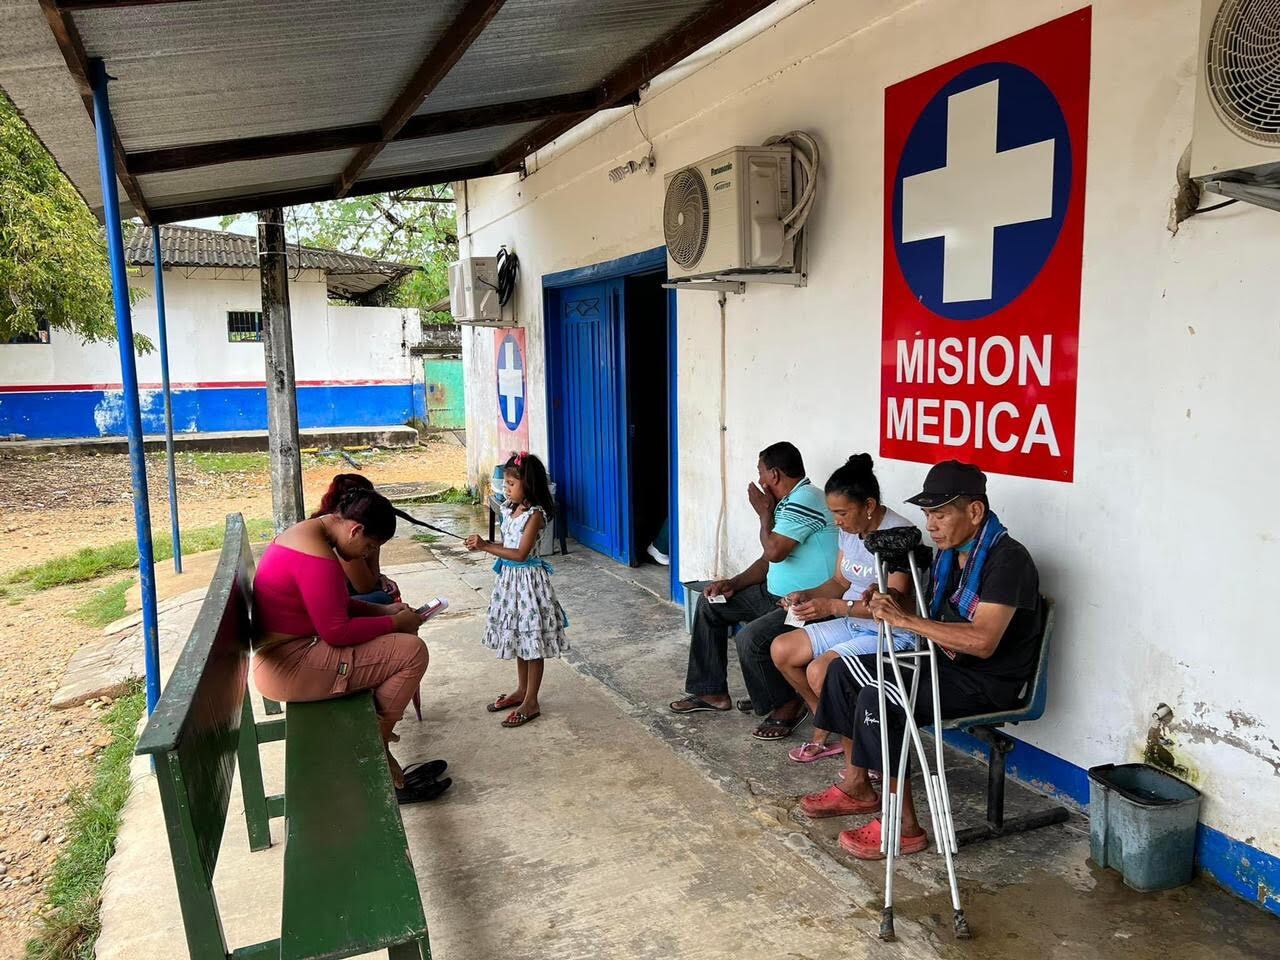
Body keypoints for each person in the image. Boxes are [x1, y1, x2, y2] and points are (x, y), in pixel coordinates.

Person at [800, 461, 1043, 860]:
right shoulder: (951, 556)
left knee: (881, 698)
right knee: (841, 673)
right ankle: (857, 787)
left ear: (975, 512)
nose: (931, 524)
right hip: (945, 663)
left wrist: (906, 619)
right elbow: (924, 609)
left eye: (941, 513)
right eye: (928, 514)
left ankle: (904, 828)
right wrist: (888, 599)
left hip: (985, 681)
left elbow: (982, 641)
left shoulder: (1007, 560)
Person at [251, 488, 451, 803]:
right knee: (412, 653)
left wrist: (386, 612)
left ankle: (377, 752)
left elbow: (337, 605)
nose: (364, 555)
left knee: (401, 640)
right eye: (368, 546)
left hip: (290, 656)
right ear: (355, 530)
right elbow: (337, 632)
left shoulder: (307, 536)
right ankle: (374, 755)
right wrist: (393, 623)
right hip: (289, 666)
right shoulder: (318, 557)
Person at [669, 441, 837, 741]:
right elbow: (765, 562)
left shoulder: (806, 499)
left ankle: (787, 703)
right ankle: (711, 693)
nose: (759, 481)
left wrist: (763, 513)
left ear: (774, 475)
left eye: (761, 474)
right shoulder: (788, 503)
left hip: (806, 603)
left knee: (750, 639)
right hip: (772, 596)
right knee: (711, 605)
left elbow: (773, 552)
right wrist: (733, 584)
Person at [769, 454, 917, 764]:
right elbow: (839, 580)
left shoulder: (898, 535)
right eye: (833, 512)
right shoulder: (849, 530)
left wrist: (834, 606)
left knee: (820, 670)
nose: (836, 520)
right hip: (851, 621)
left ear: (869, 506)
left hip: (890, 633)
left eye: (841, 512)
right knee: (782, 649)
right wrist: (806, 595)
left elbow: (894, 604)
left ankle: (864, 758)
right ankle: (827, 721)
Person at [465, 452, 568, 729]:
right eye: (506, 484)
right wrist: (486, 543)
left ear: (529, 486)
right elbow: (507, 545)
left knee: (532, 641)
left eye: (511, 484)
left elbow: (521, 553)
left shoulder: (535, 515)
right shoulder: (511, 510)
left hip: (529, 584)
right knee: (521, 638)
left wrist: (485, 546)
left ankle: (531, 700)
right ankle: (522, 691)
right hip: (510, 582)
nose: (506, 488)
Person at [312, 473, 401, 605]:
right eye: (370, 545)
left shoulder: (328, 524)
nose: (370, 549)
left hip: (325, 602)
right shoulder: (343, 538)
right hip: (317, 607)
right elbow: (364, 586)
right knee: (385, 599)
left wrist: (380, 577)